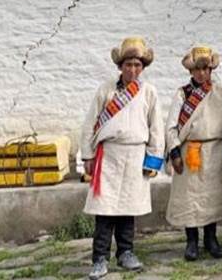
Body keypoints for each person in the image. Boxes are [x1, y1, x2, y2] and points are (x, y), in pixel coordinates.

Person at [80, 37, 164, 280]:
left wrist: (153, 159)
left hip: (136, 155)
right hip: (109, 155)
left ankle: (126, 252)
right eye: (128, 64)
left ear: (143, 67)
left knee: (129, 207)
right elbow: (89, 123)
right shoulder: (106, 90)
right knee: (105, 210)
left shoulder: (149, 92)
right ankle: (99, 258)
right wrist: (88, 155)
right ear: (120, 66)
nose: (133, 70)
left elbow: (156, 127)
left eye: (138, 65)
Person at [165, 46, 222, 261]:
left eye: (206, 69)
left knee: (210, 197)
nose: (202, 73)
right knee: (189, 198)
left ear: (211, 70)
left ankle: (211, 239)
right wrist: (174, 151)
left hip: (213, 151)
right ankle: (191, 241)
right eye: (198, 69)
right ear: (191, 71)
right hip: (189, 151)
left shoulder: (221, 92)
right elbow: (171, 126)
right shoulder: (182, 94)